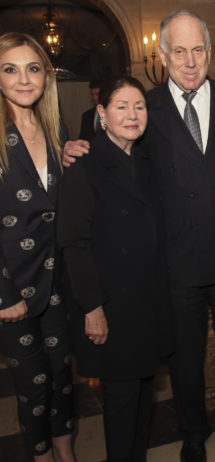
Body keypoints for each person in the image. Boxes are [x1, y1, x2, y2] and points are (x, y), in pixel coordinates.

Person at [62, 10, 215, 462]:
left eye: (198, 50)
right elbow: (116, 145)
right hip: (176, 262)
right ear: (163, 55)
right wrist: (76, 145)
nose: (189, 61)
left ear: (209, 53)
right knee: (184, 360)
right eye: (179, 50)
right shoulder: (145, 106)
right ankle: (192, 432)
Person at [57, 76, 167, 462]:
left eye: (139, 106)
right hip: (110, 304)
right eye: (121, 106)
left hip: (147, 301)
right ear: (102, 113)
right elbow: (74, 242)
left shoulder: (147, 159)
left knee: (142, 394)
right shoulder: (83, 163)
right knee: (121, 402)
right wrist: (92, 308)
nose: (132, 115)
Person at [0, 32, 74, 462]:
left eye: (33, 68)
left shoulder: (55, 128)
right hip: (12, 287)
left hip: (57, 279)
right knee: (32, 388)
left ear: (46, 77)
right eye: (10, 69)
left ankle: (67, 454)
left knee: (62, 376)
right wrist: (3, 295)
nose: (24, 79)